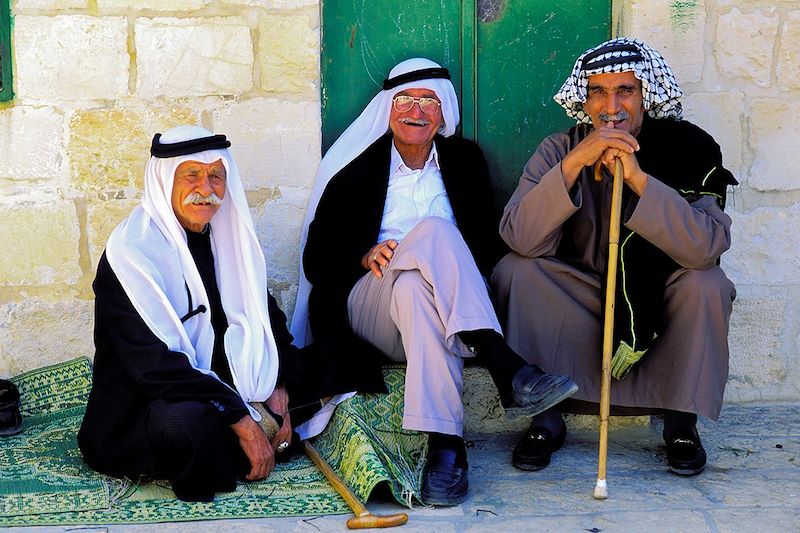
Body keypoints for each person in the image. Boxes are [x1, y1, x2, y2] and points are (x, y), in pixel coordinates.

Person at [292, 58, 578, 506]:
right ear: (389, 109)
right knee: (435, 232)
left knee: (417, 286)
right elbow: (315, 261)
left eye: (429, 101)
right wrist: (362, 254)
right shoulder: (354, 173)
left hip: (434, 306)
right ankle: (504, 364)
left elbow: (486, 240)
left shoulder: (464, 162)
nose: (416, 111)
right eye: (405, 100)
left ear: (444, 112)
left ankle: (447, 450)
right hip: (371, 303)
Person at [492, 38, 737, 476]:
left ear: (647, 95)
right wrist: (574, 164)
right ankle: (546, 413)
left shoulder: (688, 150)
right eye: (599, 92)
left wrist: (641, 180)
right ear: (583, 101)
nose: (612, 106)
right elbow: (519, 237)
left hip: (657, 305)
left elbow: (705, 248)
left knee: (707, 283)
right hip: (580, 297)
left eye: (625, 91)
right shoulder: (558, 148)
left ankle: (680, 418)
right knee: (517, 270)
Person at [78, 125, 355, 502]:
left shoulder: (227, 238)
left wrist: (279, 385)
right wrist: (239, 417)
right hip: (154, 399)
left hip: (232, 382)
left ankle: (268, 423)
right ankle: (257, 432)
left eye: (216, 177)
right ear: (164, 181)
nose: (205, 189)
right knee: (186, 425)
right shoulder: (131, 256)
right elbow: (154, 367)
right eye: (191, 175)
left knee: (343, 356)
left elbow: (267, 321)